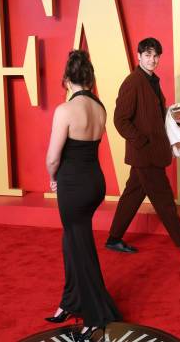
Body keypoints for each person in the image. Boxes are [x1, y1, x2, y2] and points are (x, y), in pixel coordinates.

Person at [106, 37, 180, 262]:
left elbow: (154, 117)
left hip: (151, 152)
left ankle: (113, 238)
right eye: (148, 55)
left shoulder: (152, 81)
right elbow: (120, 119)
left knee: (132, 195)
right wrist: (142, 142)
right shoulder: (133, 82)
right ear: (138, 56)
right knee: (164, 201)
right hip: (146, 154)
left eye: (155, 56)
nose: (152, 60)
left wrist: (176, 118)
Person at [45, 50, 121, 340]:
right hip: (95, 184)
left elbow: (53, 157)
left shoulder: (65, 110)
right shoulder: (100, 108)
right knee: (71, 241)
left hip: (73, 186)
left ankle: (93, 314)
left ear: (66, 80)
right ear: (90, 79)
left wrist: (53, 178)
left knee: (79, 246)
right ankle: (69, 301)